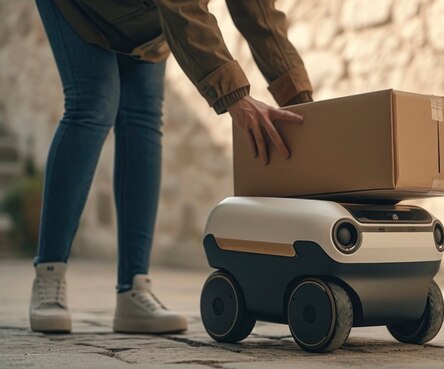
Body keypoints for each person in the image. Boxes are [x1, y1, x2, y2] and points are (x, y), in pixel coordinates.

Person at [31, 0, 313, 334]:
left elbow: (259, 14)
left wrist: (305, 108)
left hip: (147, 18)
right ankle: (49, 277)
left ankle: (134, 290)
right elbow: (181, 5)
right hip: (81, 7)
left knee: (143, 121)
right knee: (94, 105)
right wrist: (235, 96)